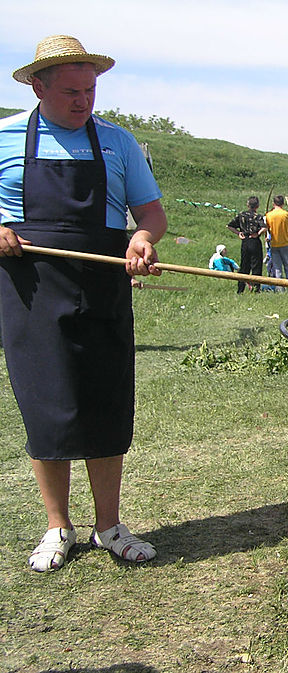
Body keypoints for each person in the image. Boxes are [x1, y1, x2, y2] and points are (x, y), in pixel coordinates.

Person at [0, 35, 167, 571]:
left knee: (105, 402)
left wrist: (142, 239)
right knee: (47, 406)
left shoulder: (118, 143)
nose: (83, 100)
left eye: (90, 90)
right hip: (30, 288)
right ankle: (57, 527)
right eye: (71, 91)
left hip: (102, 285)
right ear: (38, 86)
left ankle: (109, 526)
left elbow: (152, 216)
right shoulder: (3, 138)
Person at [226, 196, 267, 293]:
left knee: (244, 265)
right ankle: (256, 289)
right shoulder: (258, 216)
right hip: (255, 241)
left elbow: (229, 226)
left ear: (248, 205)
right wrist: (258, 233)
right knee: (256, 266)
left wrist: (238, 233)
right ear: (257, 206)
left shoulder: (241, 215)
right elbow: (264, 228)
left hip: (245, 241)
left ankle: (240, 289)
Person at [265, 195, 288, 291]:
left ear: (274, 204)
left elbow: (267, 228)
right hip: (285, 243)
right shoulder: (286, 214)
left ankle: (280, 289)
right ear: (283, 203)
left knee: (277, 269)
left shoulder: (269, 215)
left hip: (274, 244)